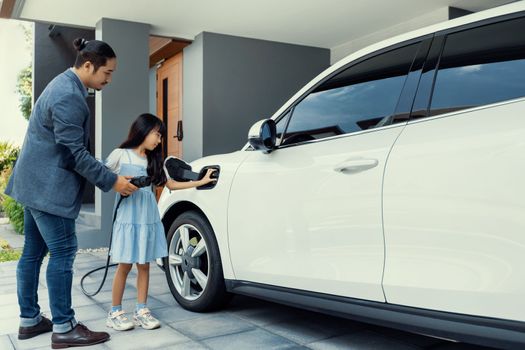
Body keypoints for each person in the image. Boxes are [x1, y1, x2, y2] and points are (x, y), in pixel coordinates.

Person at [5, 38, 138, 348]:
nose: (109, 79)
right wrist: (112, 180)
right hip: (49, 190)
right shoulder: (69, 95)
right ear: (88, 65)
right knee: (63, 254)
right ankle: (64, 327)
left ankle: (29, 320)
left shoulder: (62, 85)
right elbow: (72, 153)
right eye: (107, 72)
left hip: (32, 184)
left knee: (32, 254)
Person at [103, 113, 215, 331]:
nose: (159, 139)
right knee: (124, 265)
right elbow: (103, 176)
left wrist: (200, 181)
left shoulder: (155, 160)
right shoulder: (121, 155)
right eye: (157, 134)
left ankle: (141, 310)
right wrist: (120, 183)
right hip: (128, 217)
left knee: (144, 265)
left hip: (147, 216)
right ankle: (115, 311)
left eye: (161, 136)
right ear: (142, 131)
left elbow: (170, 184)